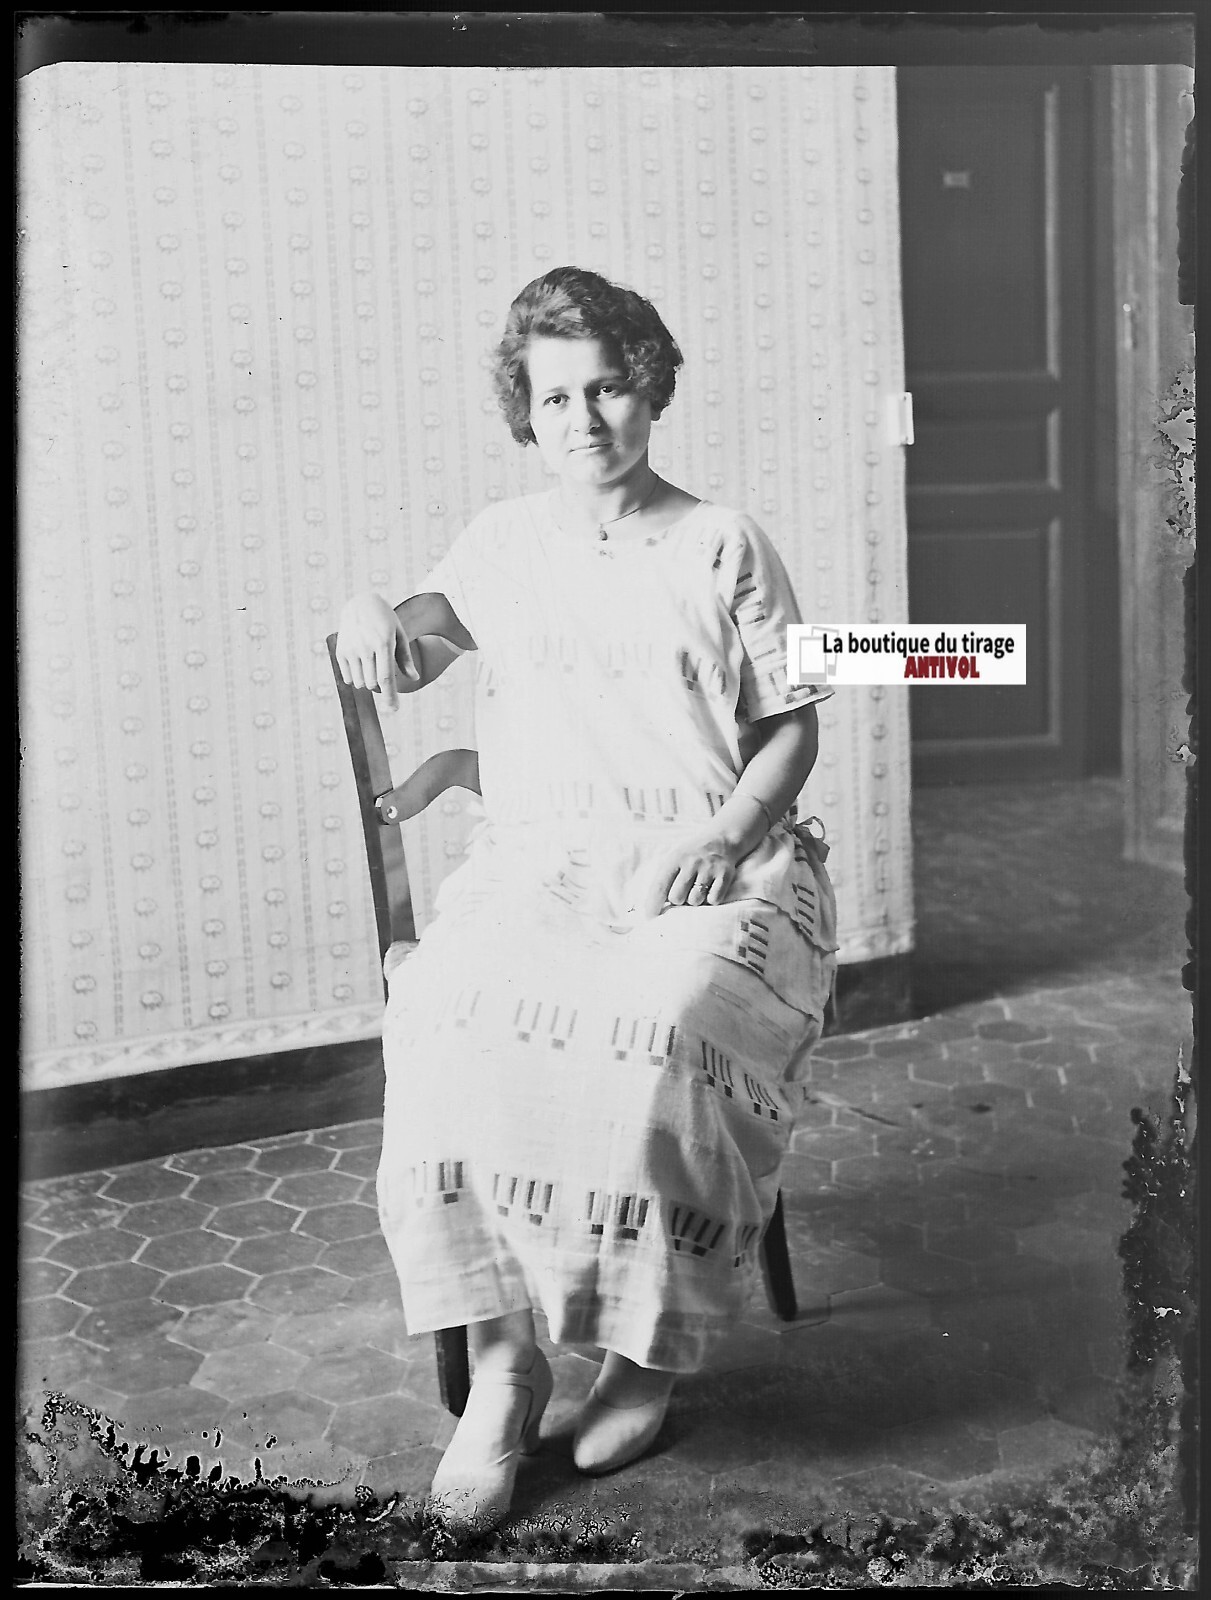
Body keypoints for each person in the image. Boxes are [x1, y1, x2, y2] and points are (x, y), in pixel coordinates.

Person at [335, 266, 838, 1532]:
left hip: (713, 862)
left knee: (661, 1028)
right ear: (526, 408)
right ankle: (505, 1364)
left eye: (607, 387)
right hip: (543, 862)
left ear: (648, 388)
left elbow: (790, 727)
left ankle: (643, 1353)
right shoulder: (501, 544)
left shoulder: (722, 540)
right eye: (555, 396)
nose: (583, 418)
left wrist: (725, 835)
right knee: (450, 1013)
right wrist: (364, 607)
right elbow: (412, 641)